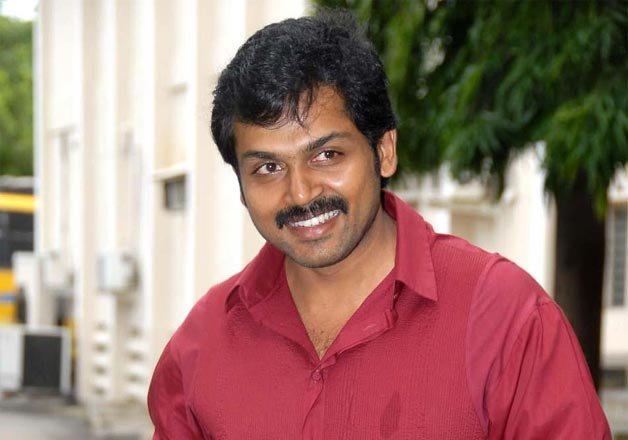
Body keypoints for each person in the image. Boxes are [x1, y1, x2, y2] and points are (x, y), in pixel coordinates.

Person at [148, 9, 611, 439]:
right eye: (268, 168)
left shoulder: (506, 318)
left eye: (327, 154)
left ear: (384, 151)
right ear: (241, 184)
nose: (301, 193)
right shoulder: (201, 345)